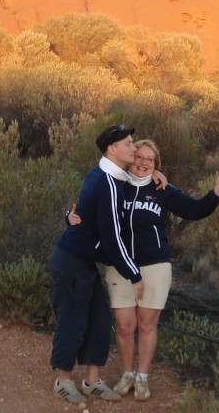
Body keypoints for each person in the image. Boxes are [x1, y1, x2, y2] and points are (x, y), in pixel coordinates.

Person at [71, 139, 219, 401]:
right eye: (140, 157)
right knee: (124, 325)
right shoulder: (115, 185)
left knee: (147, 324)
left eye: (151, 159)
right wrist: (70, 215)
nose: (144, 162)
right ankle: (127, 373)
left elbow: (193, 209)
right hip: (120, 265)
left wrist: (215, 193)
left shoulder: (163, 189)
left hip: (155, 266)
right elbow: (88, 206)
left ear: (157, 164)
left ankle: (143, 378)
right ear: (130, 158)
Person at [49, 124, 144, 404]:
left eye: (134, 143)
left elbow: (90, 210)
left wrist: (156, 174)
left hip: (84, 261)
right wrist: (134, 274)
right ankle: (62, 380)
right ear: (112, 149)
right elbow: (112, 238)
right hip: (71, 260)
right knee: (73, 319)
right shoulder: (106, 182)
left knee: (100, 320)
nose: (134, 148)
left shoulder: (107, 175)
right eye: (128, 144)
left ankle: (92, 381)